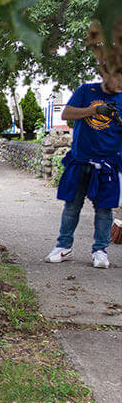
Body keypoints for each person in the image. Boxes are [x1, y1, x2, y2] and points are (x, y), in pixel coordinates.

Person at [45, 78, 122, 269]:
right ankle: (64, 247)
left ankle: (100, 251)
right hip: (81, 159)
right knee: (72, 205)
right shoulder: (87, 91)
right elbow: (66, 113)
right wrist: (95, 110)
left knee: (104, 209)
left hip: (108, 163)